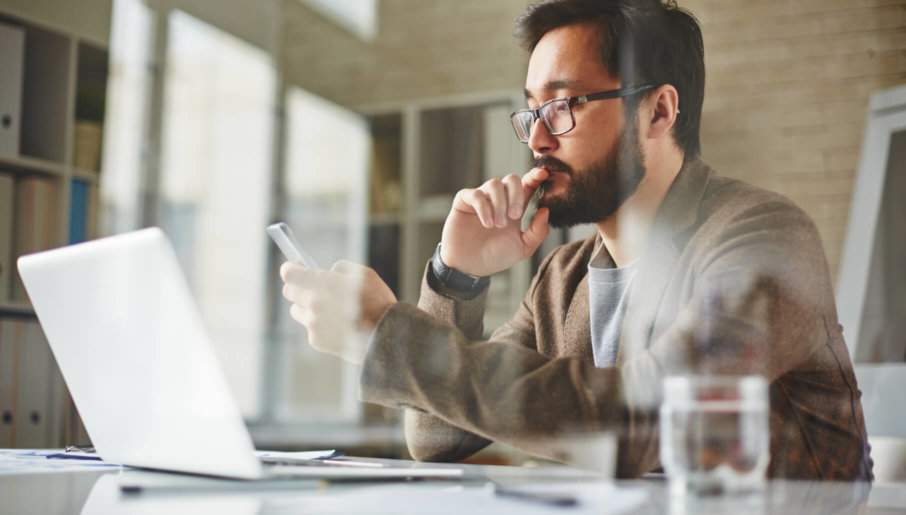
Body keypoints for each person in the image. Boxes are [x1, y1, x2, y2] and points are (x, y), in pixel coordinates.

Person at [279, 0, 873, 480]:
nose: (537, 139)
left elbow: (644, 423)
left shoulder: (763, 239)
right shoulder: (563, 277)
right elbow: (436, 437)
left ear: (659, 112)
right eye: (532, 111)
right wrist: (456, 277)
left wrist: (387, 334)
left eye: (564, 105)